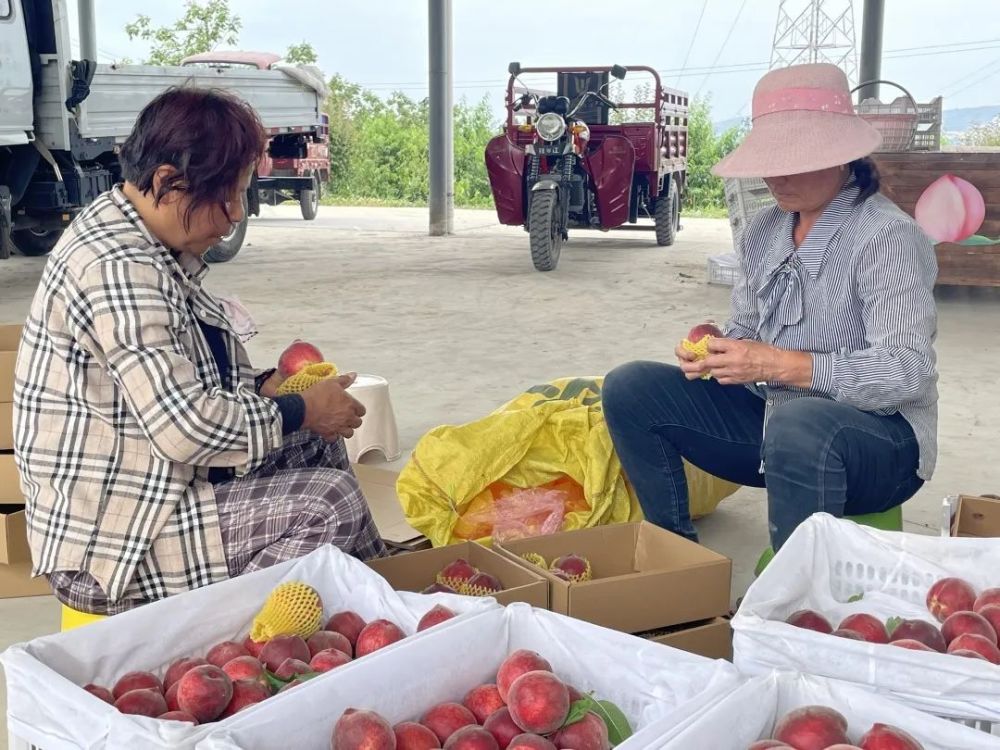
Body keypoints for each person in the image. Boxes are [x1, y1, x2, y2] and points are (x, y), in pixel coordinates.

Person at [13, 88, 387, 615]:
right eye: (227, 196)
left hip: (157, 490)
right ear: (168, 182)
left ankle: (388, 598)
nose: (236, 215)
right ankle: (240, 651)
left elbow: (182, 376)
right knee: (328, 503)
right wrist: (299, 408)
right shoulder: (118, 265)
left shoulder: (147, 240)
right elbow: (185, 428)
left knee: (316, 446)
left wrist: (264, 390)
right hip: (116, 540)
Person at [602, 63, 938, 552]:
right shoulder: (765, 231)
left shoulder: (885, 237)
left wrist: (778, 363)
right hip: (775, 425)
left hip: (880, 446)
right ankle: (674, 558)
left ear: (843, 157)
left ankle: (795, 599)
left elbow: (909, 373)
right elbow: (746, 327)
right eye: (770, 158)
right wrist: (720, 351)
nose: (777, 176)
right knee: (630, 387)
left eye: (796, 159)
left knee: (800, 421)